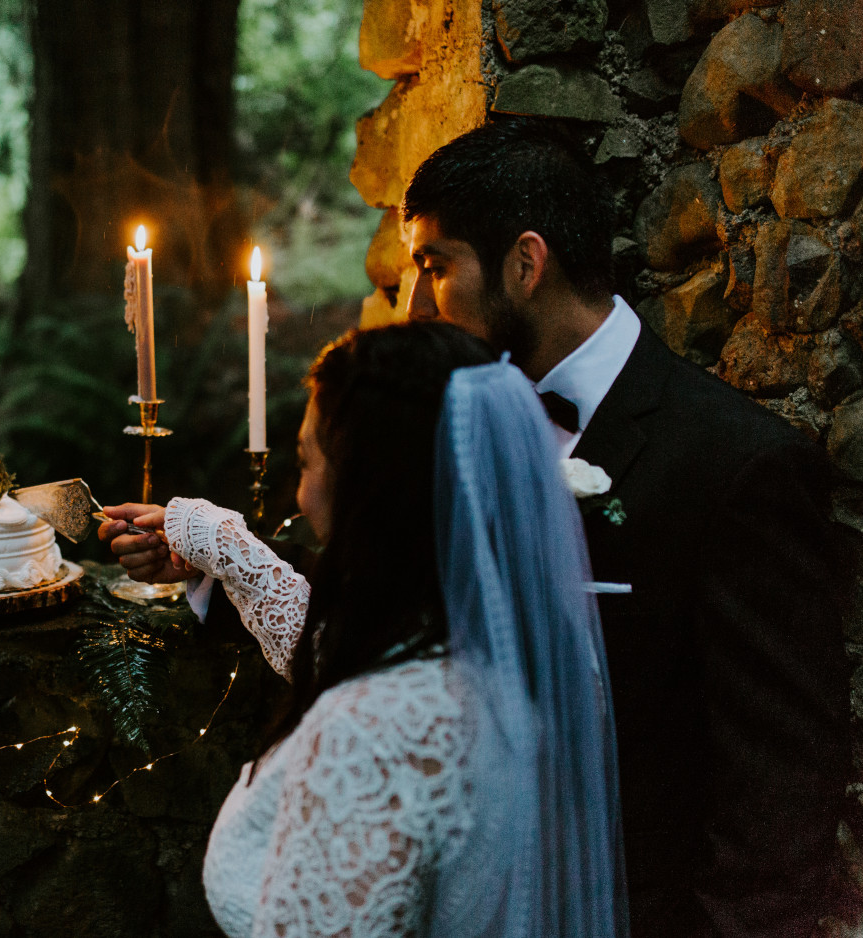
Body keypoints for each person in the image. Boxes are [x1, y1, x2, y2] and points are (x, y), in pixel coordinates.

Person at [105, 117, 851, 938]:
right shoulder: (456, 422)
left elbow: (779, 807)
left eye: (435, 267)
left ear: (525, 264)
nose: (415, 303)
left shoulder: (735, 467)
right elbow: (407, 624)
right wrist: (223, 559)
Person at [117, 322, 626, 937]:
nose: (299, 494)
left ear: (369, 489)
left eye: (305, 461)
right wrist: (221, 546)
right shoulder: (536, 660)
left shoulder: (372, 732)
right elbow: (341, 646)